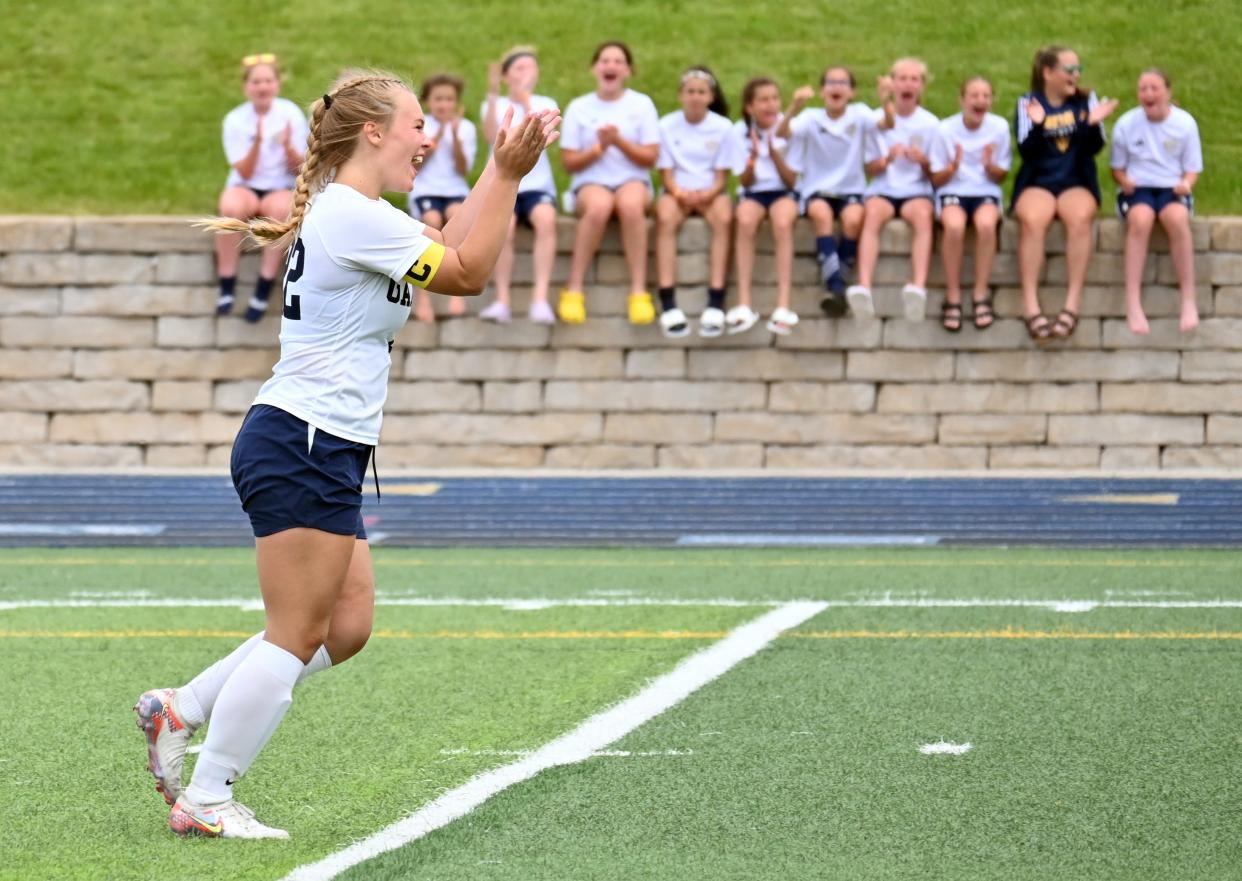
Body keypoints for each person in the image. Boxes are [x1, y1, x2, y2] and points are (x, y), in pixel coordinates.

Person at [135, 69, 559, 839]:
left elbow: (452, 242)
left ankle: (184, 706)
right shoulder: (350, 217)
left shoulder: (365, 214)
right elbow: (466, 273)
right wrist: (503, 173)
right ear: (373, 132)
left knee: (347, 623)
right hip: (300, 438)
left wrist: (502, 175)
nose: (427, 138)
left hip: (318, 443)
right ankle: (206, 794)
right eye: (414, 126)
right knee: (296, 630)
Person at [1012, 45, 1118, 342]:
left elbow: (1094, 148)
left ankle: (1071, 304)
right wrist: (1037, 124)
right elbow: (1026, 151)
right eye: (1069, 69)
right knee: (1033, 220)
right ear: (1048, 73)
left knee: (1080, 218)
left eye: (1077, 69)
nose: (1075, 75)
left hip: (1076, 179)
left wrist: (1091, 124)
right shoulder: (1028, 103)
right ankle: (1031, 305)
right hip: (1039, 180)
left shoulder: (1086, 102)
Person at [559, 41, 661, 325]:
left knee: (630, 206)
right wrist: (599, 149)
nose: (611, 66)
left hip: (633, 180)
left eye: (618, 61)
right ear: (595, 68)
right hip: (591, 182)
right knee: (599, 206)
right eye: (605, 60)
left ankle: (639, 291)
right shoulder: (579, 108)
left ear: (627, 69)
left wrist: (619, 141)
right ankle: (574, 288)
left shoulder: (642, 105)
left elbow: (650, 157)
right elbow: (568, 162)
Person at [780, 66, 893, 318]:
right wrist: (793, 107)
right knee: (821, 216)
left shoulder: (860, 114)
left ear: (851, 92)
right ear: (822, 91)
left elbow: (887, 124)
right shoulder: (810, 117)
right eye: (831, 82)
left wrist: (886, 100)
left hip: (850, 189)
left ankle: (835, 286)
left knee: (853, 220)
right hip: (817, 189)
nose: (836, 87)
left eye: (843, 82)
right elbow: (782, 132)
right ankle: (836, 286)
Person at [214, 54, 308, 322]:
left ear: (277, 84)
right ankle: (227, 284)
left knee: (280, 211)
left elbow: (301, 167)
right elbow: (243, 170)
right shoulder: (235, 120)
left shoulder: (290, 113)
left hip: (279, 186)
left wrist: (288, 145)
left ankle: (263, 287)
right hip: (246, 185)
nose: (262, 87)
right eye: (256, 82)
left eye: (268, 81)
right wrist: (256, 139)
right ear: (247, 87)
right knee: (230, 210)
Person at [1110, 68, 1203, 334]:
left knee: (1176, 218)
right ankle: (1133, 302)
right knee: (1141, 219)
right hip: (1139, 187)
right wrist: (1124, 180)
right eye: (1143, 89)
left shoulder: (1184, 124)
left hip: (1171, 186)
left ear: (1167, 92)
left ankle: (1188, 299)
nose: (1148, 94)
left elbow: (1192, 168)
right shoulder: (1127, 124)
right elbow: (1117, 168)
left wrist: (1186, 184)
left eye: (1154, 88)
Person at [847, 58, 938, 322]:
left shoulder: (930, 124)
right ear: (893, 84)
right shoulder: (877, 120)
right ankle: (864, 285)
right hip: (884, 188)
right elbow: (871, 169)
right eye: (902, 79)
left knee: (922, 216)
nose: (908, 84)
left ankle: (917, 286)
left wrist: (923, 162)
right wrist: (888, 159)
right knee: (873, 214)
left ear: (921, 86)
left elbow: (935, 174)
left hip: (915, 190)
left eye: (914, 79)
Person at [478, 47, 560, 325]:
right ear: (506, 76)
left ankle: (539, 299)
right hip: (507, 182)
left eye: (531, 68)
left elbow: (542, 136)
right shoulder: (496, 104)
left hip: (537, 185)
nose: (526, 74)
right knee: (506, 227)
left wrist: (527, 101)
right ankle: (502, 300)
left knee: (546, 220)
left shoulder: (544, 102)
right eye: (519, 68)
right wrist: (491, 92)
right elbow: (491, 136)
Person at [654, 66, 735, 338]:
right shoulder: (666, 125)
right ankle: (667, 299)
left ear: (710, 97)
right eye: (690, 91)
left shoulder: (723, 127)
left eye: (701, 92)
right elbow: (666, 173)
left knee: (724, 218)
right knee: (664, 217)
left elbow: (721, 177)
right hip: (678, 192)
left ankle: (715, 299)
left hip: (709, 192)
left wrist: (706, 195)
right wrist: (679, 193)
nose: (695, 97)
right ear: (681, 95)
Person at [929, 76, 1012, 331]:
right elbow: (936, 178)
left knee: (986, 225)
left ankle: (980, 293)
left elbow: (1001, 175)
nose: (980, 101)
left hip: (984, 190)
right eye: (974, 95)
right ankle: (953, 295)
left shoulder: (999, 128)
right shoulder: (945, 129)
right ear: (962, 100)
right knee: (954, 226)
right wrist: (953, 166)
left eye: (986, 96)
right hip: (953, 189)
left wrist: (989, 165)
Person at [730, 78, 799, 334]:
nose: (770, 105)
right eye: (763, 100)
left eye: (774, 98)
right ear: (750, 107)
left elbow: (792, 180)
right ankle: (744, 304)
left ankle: (783, 306)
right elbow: (745, 181)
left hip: (784, 191)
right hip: (755, 192)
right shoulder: (739, 131)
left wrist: (774, 154)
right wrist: (754, 159)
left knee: (782, 222)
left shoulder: (789, 129)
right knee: (745, 220)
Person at [407, 74, 478, 322]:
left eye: (449, 99)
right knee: (432, 220)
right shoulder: (421, 129)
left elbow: (463, 168)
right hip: (426, 190)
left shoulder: (466, 128)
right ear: (428, 101)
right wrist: (435, 138)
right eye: (438, 99)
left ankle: (455, 290)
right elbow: (418, 165)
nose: (444, 105)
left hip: (454, 190)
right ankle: (423, 296)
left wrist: (455, 135)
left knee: (456, 219)